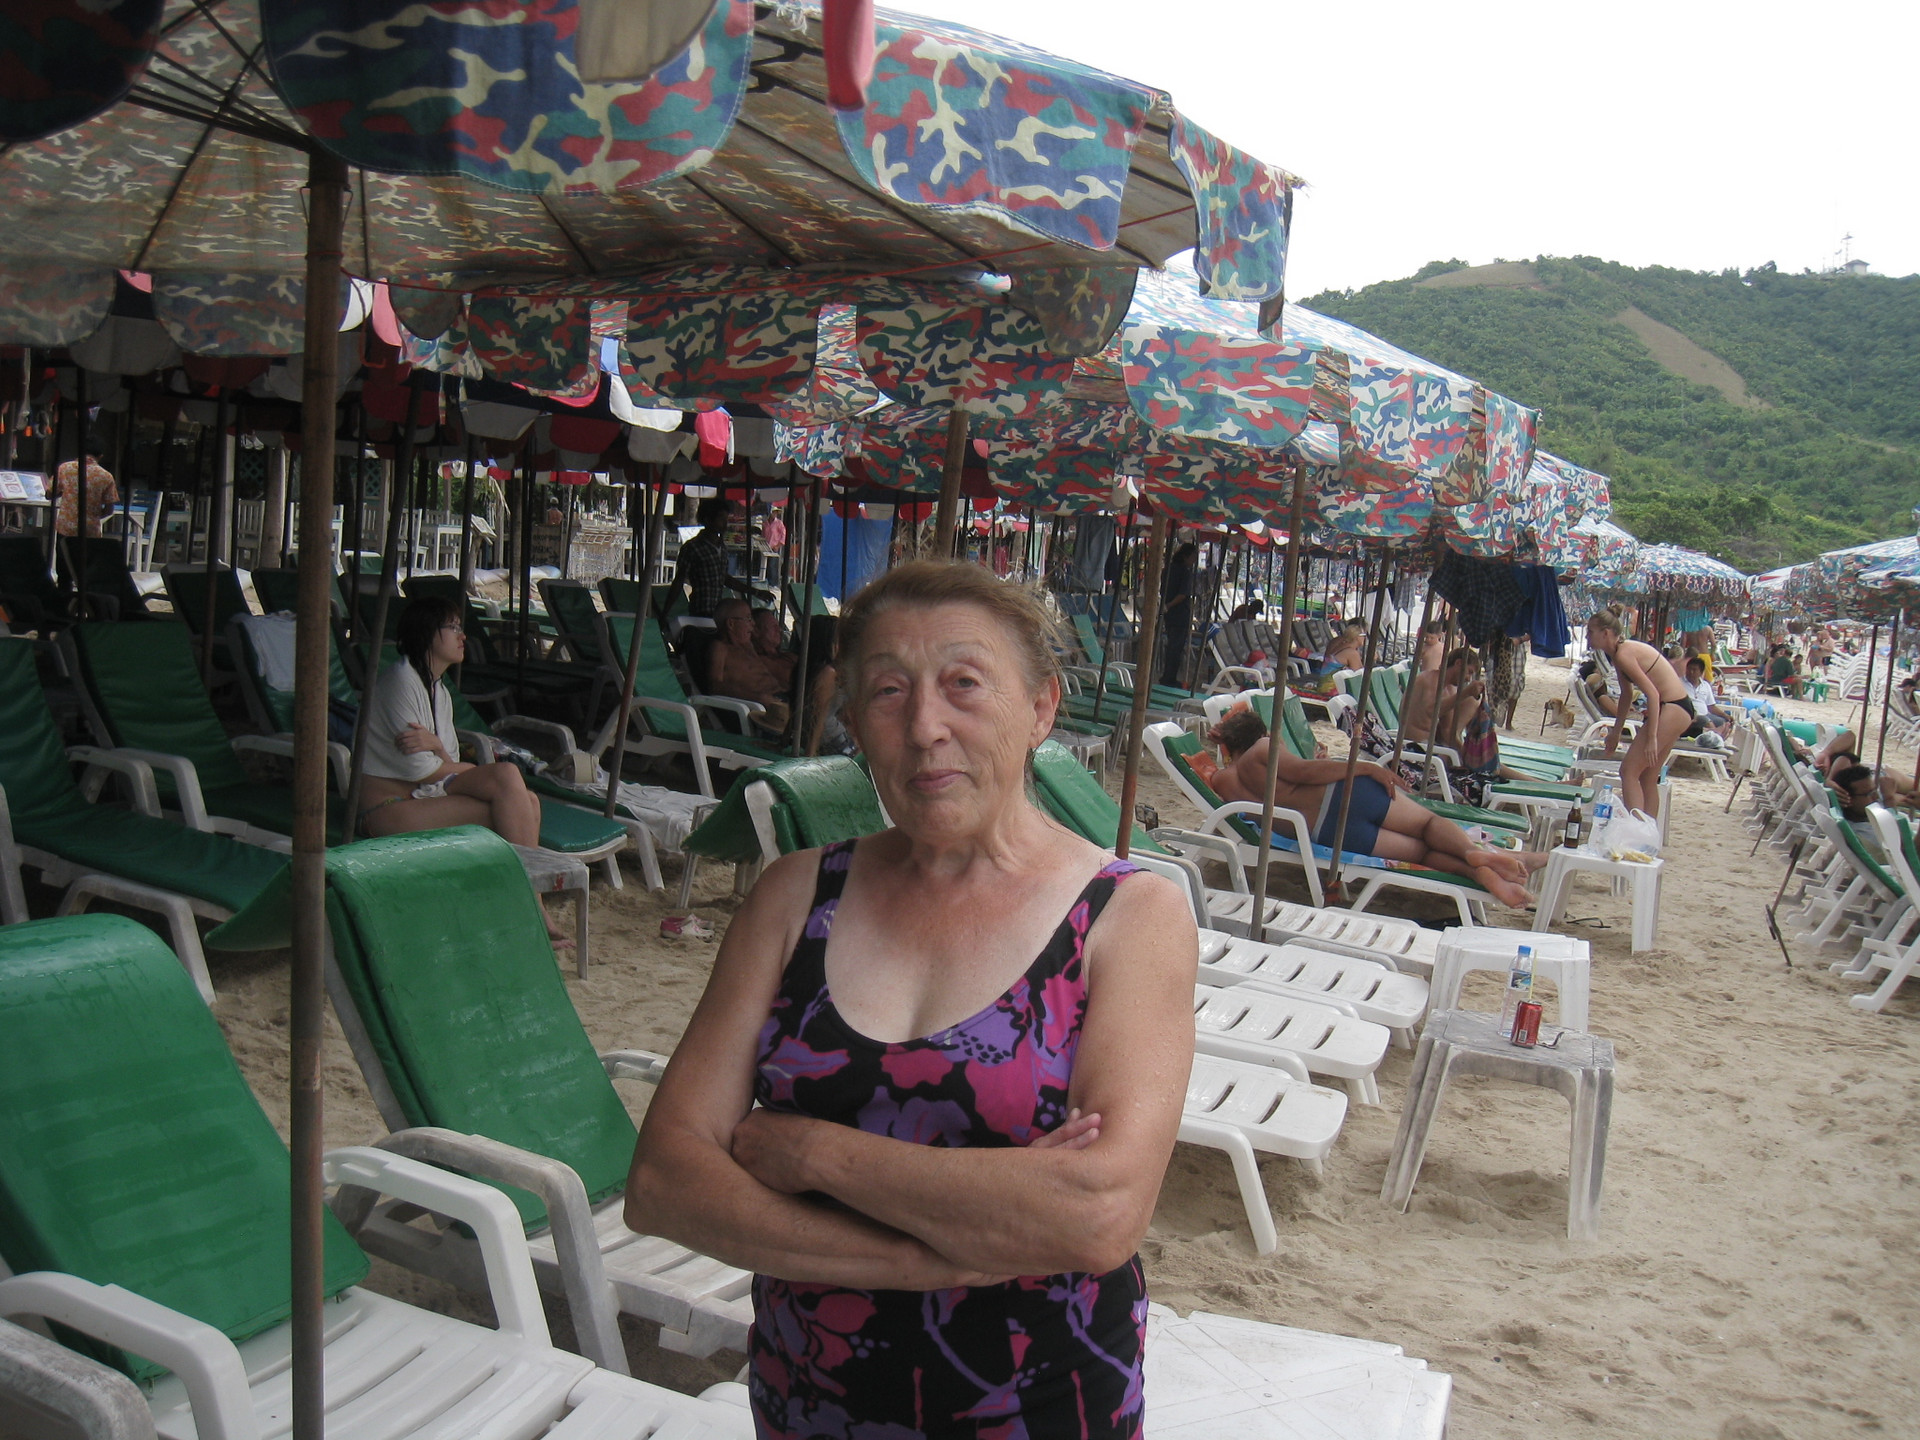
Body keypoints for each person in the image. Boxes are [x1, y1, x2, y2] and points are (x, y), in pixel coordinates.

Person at [627, 560, 1196, 1438]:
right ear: (856, 726)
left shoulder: (1129, 916)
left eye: (964, 683)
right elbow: (665, 1181)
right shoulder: (794, 896)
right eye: (889, 692)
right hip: (808, 1403)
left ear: (1040, 707)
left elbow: (1097, 1212)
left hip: (1042, 1405)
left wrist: (812, 1152)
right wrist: (923, 1256)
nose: (926, 727)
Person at [355, 596, 570, 946]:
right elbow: (424, 770)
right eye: (453, 627)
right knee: (510, 790)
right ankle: (530, 904)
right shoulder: (401, 683)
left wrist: (437, 747)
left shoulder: (438, 690)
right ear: (428, 633)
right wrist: (458, 764)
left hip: (425, 798)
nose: (463, 635)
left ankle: (528, 903)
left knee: (526, 800)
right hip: (388, 809)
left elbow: (445, 759)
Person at [1204, 710, 1544, 906]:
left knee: (1423, 852)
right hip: (1345, 796)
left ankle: (1480, 873)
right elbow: (1303, 773)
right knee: (1427, 825)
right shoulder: (1263, 748)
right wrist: (1365, 767)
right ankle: (1473, 853)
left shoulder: (1223, 782)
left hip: (1326, 832)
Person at [1587, 608, 1693, 821]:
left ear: (1606, 633)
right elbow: (1626, 695)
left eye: (1591, 632)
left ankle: (1636, 830)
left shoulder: (1624, 654)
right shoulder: (1619, 654)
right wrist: (1616, 732)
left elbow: (1652, 694)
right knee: (1647, 777)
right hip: (1679, 708)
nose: (1587, 637)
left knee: (1628, 772)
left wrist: (1652, 738)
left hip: (1671, 707)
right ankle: (1648, 833)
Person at [709, 597, 792, 734]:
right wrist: (758, 698)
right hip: (764, 706)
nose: (753, 624)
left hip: (781, 698)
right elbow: (715, 686)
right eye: (748, 619)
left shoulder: (748, 645)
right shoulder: (720, 648)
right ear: (731, 624)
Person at [674, 497, 749, 618]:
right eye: (721, 519)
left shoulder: (721, 547)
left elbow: (724, 578)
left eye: (726, 519)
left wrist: (754, 592)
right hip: (700, 611)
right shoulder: (693, 547)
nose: (725, 523)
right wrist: (665, 612)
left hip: (717, 612)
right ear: (708, 520)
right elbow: (679, 581)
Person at [54, 439, 119, 539]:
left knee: (64, 549)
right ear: (100, 456)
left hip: (65, 529)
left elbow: (50, 493)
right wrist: (92, 517)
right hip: (90, 530)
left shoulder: (64, 468)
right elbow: (109, 510)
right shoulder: (106, 476)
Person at [1159, 539, 1197, 688]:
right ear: (1185, 556)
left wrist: (1167, 606)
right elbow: (1182, 594)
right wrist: (1169, 605)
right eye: (1193, 557)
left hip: (1170, 614)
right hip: (1179, 614)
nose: (1194, 561)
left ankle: (1168, 676)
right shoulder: (1185, 573)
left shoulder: (1167, 570)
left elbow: (1163, 590)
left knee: (1172, 646)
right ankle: (1169, 678)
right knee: (1176, 648)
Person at [1683, 655, 1734, 737]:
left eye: (1694, 670)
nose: (1691, 672)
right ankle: (1713, 738)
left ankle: (1718, 740)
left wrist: (1725, 715)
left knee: (1724, 723)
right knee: (1706, 721)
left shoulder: (1705, 685)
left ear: (1701, 672)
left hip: (1705, 714)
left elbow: (1711, 706)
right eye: (1689, 669)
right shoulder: (1679, 683)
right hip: (1690, 716)